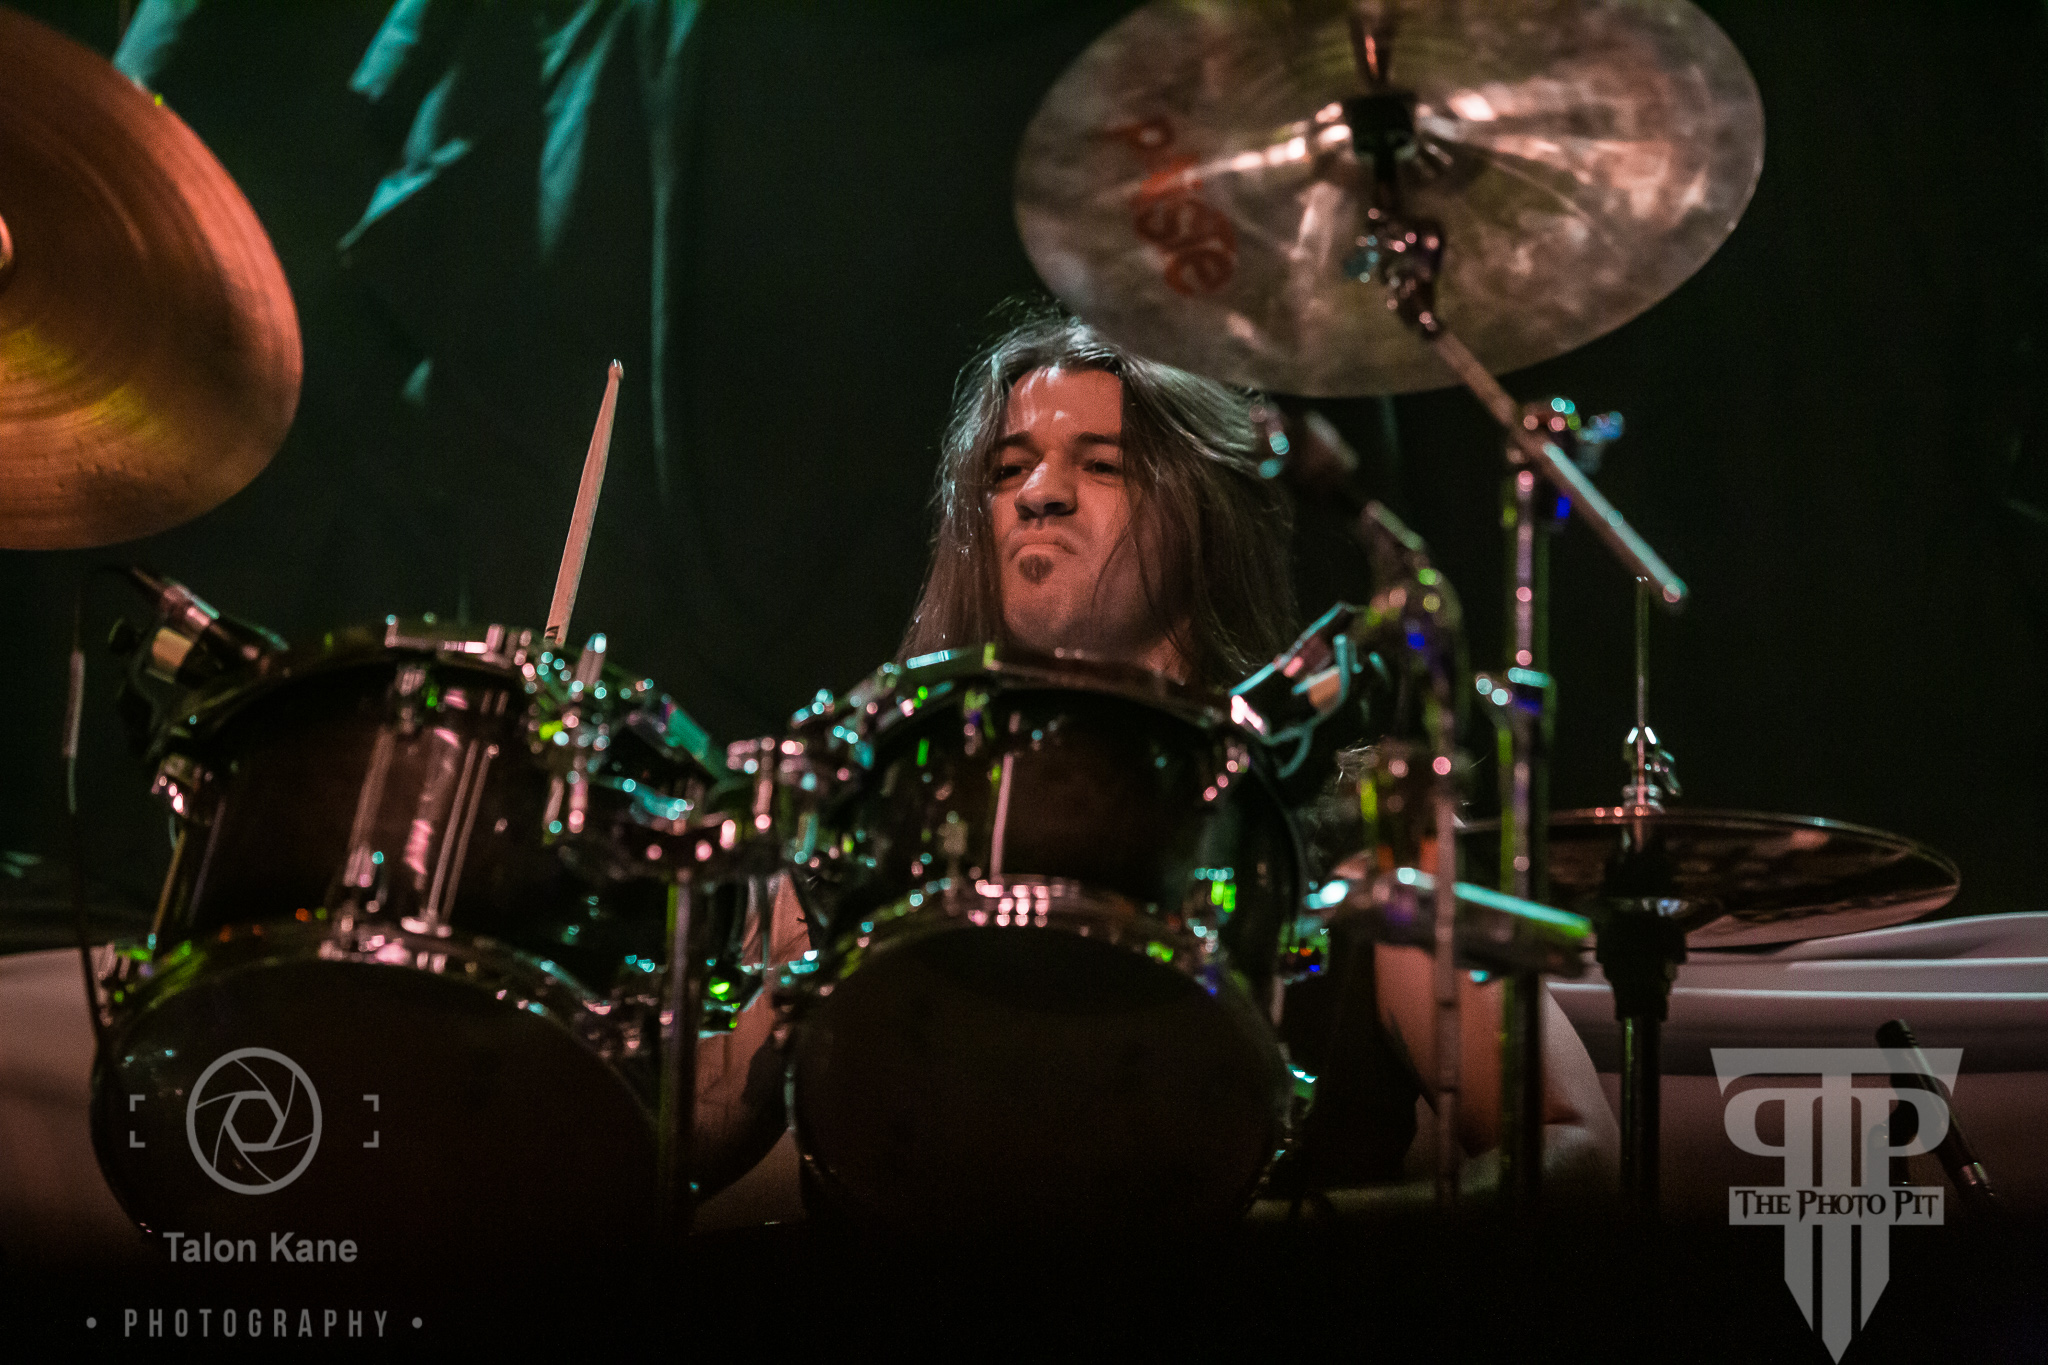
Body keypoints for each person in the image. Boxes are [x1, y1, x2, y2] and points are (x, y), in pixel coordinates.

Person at [697, 306, 1616, 1213]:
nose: (1037, 493)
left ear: (1204, 508)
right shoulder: (864, 824)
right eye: (1008, 468)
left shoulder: (1365, 837)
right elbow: (683, 1147)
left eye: (1101, 463)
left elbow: (1576, 1149)